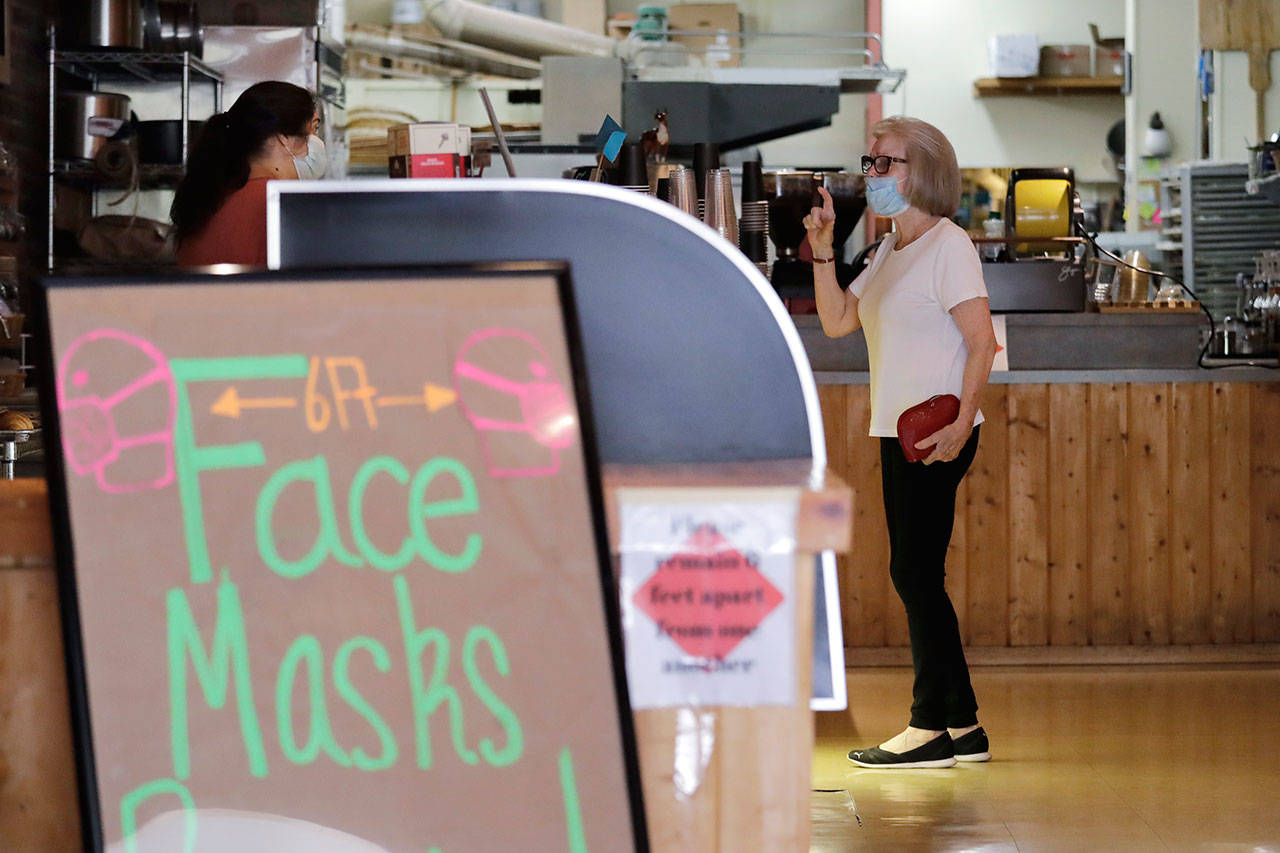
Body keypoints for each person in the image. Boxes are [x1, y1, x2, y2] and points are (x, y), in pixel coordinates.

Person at [804, 116, 998, 769]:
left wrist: (960, 420)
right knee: (917, 570)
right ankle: (963, 725)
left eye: (886, 163)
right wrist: (825, 245)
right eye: (871, 161)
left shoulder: (949, 244)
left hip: (936, 428)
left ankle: (926, 727)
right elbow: (835, 320)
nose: (873, 173)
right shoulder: (888, 249)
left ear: (925, 172)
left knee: (913, 572)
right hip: (896, 428)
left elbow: (981, 343)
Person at [172, 81, 325, 267]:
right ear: (283, 138)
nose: (317, 140)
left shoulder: (212, 195)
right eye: (314, 128)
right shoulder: (279, 203)